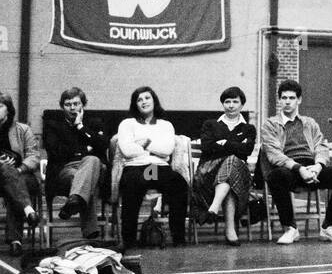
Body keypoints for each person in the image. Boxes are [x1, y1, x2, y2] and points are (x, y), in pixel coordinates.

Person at [260, 80, 332, 244]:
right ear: (279, 100)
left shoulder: (309, 123)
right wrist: (299, 169)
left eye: (291, 98)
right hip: (289, 169)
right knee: (276, 176)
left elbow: (321, 146)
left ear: (299, 100)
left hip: (312, 167)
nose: (288, 101)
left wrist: (318, 166)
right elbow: (274, 154)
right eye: (284, 98)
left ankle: (328, 227)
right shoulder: (270, 124)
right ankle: (290, 228)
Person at [116, 86, 188, 248]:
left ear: (154, 101)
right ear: (135, 104)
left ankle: (178, 238)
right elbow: (127, 151)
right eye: (139, 99)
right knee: (133, 185)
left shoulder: (165, 125)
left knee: (179, 184)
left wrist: (145, 143)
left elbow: (167, 149)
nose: (143, 102)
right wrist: (156, 149)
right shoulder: (127, 124)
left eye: (147, 98)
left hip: (157, 168)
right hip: (135, 167)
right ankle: (129, 240)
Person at [0, 92, 41, 256]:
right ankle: (28, 211)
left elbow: (34, 156)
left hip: (23, 174)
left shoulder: (23, 129)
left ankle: (15, 241)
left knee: (14, 184)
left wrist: (19, 170)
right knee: (7, 172)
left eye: (0, 106)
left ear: (8, 109)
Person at [193, 86, 257, 246]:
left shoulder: (248, 128)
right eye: (227, 101)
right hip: (208, 174)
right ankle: (230, 230)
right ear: (223, 104)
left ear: (242, 105)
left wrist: (225, 143)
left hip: (238, 176)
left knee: (232, 165)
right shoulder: (210, 125)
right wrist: (235, 146)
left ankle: (214, 208)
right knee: (231, 163)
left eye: (235, 101)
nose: (231, 105)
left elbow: (247, 150)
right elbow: (206, 147)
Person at [42, 86, 107, 241]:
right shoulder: (52, 126)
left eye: (76, 104)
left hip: (94, 169)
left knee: (92, 160)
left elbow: (103, 145)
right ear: (62, 106)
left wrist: (80, 127)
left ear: (82, 105)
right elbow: (55, 152)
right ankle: (90, 232)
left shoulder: (95, 123)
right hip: (65, 171)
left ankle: (74, 202)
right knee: (83, 178)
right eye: (68, 104)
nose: (72, 108)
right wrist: (87, 148)